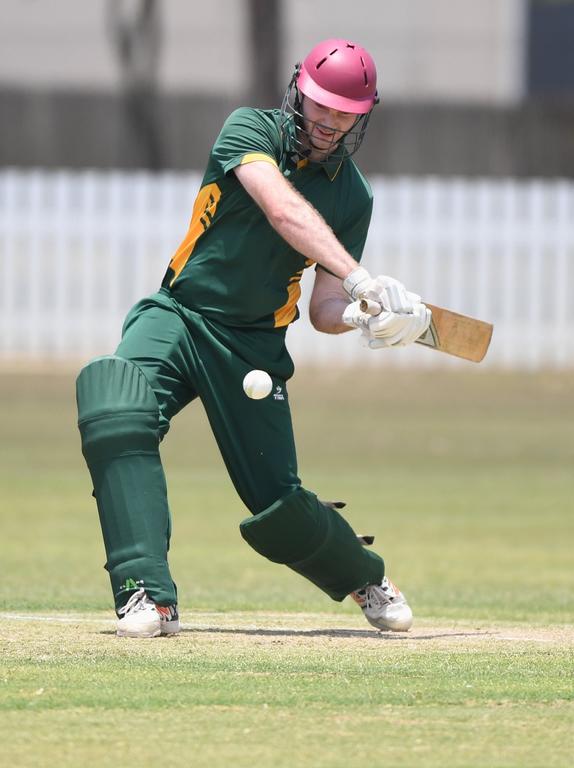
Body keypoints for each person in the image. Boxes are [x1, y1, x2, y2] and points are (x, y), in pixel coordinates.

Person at [75, 39, 431, 638]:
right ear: (298, 91)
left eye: (345, 112)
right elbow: (282, 210)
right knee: (116, 409)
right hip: (180, 316)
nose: (329, 122)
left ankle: (365, 575)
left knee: (279, 509)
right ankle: (146, 595)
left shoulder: (354, 196)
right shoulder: (249, 130)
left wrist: (360, 315)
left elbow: (320, 307)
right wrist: (360, 278)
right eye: (321, 105)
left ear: (362, 116)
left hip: (255, 348)